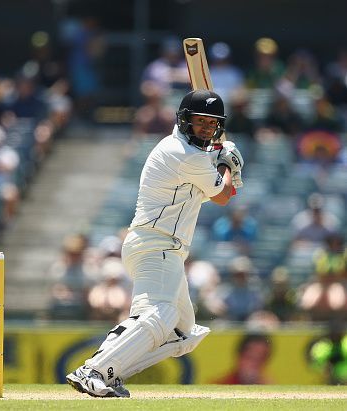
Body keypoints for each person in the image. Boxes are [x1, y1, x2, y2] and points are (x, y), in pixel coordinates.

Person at [66, 89, 243, 397]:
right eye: (198, 121)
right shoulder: (183, 153)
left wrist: (225, 163)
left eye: (211, 123)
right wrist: (228, 164)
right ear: (183, 120)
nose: (204, 127)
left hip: (162, 248)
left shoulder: (192, 155)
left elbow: (220, 189)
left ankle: (111, 372)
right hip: (157, 244)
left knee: (181, 334)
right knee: (159, 314)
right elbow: (224, 196)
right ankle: (94, 370)